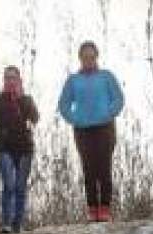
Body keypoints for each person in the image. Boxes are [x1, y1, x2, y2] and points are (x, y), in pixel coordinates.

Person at [57, 43, 124, 222]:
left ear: (96, 57)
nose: (89, 60)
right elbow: (63, 104)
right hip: (83, 130)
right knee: (88, 169)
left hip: (105, 128)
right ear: (80, 58)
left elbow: (118, 98)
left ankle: (105, 208)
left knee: (104, 168)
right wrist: (75, 118)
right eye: (85, 57)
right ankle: (92, 208)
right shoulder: (73, 80)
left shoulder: (106, 76)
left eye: (92, 56)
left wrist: (109, 112)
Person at [0, 66, 39, 234]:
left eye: (13, 77)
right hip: (5, 148)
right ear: (4, 80)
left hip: (25, 148)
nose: (10, 81)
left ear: (19, 80)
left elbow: (35, 118)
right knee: (8, 185)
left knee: (20, 187)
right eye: (7, 77)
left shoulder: (27, 99)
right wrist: (0, 130)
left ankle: (18, 224)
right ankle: (6, 224)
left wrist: (22, 100)